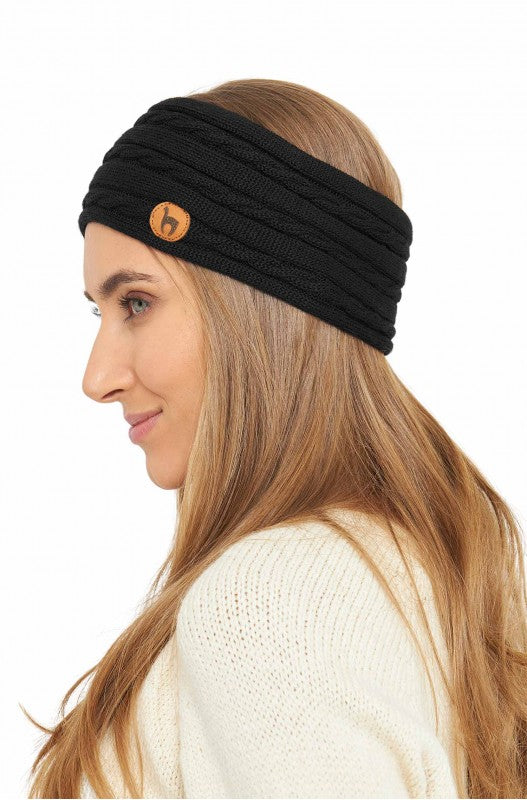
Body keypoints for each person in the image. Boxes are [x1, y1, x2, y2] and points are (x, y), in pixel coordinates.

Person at [23, 78, 527, 799]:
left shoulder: (266, 603)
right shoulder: (443, 570)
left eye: (136, 302)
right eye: (97, 312)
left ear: (261, 307)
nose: (96, 377)